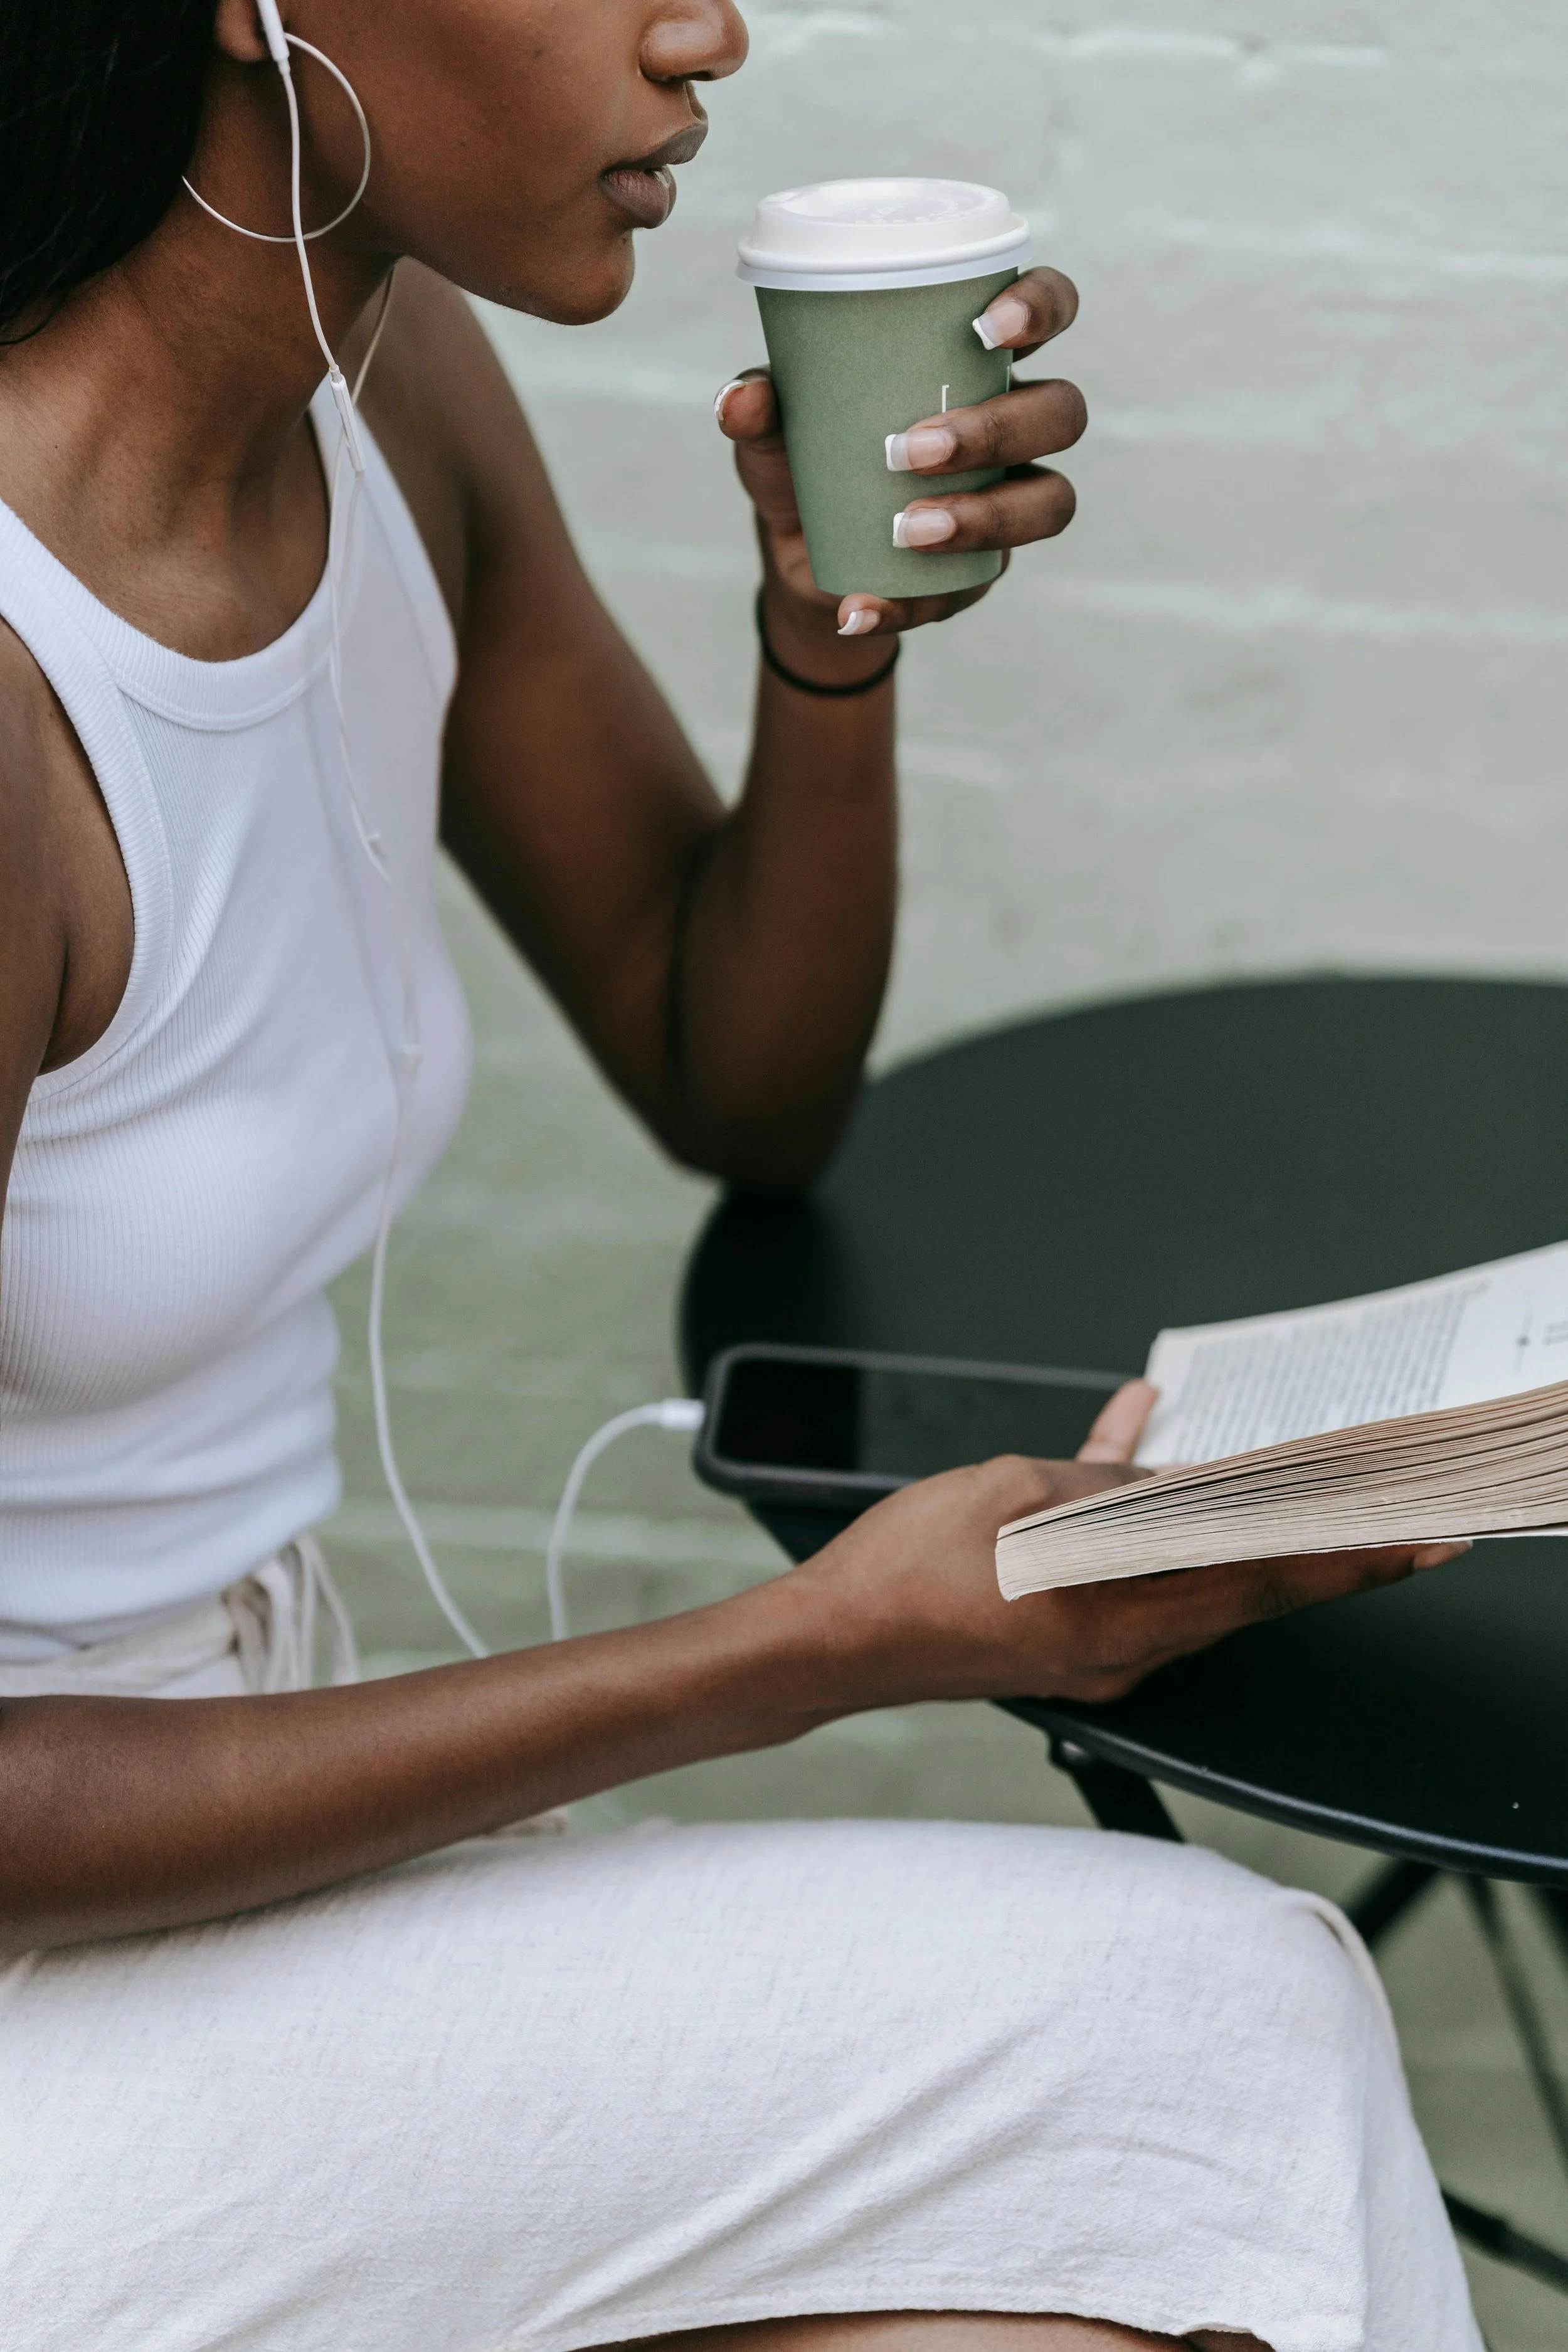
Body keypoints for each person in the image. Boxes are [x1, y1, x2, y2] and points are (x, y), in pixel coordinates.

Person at [0, 5, 1481, 2349]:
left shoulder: (388, 407)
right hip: (35, 1991)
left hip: (251, 1797)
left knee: (1047, 2301)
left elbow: (734, 1072)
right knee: (1216, 2044)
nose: (703, 32)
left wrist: (830, 638)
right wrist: (817, 1646)